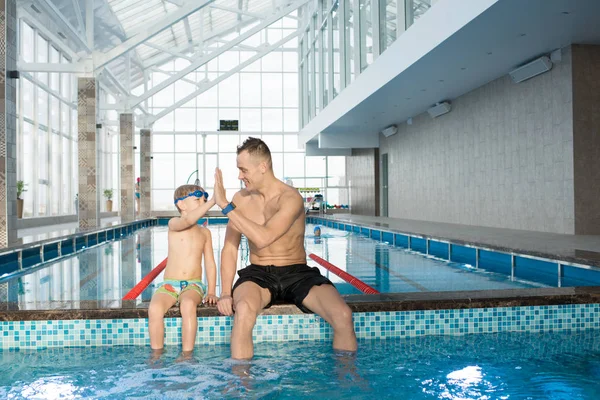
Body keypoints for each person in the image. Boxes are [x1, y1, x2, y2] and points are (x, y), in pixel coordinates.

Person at [214, 137, 357, 360]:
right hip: (258, 273)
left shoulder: (291, 198)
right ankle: (241, 388)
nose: (240, 176)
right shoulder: (240, 199)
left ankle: (347, 383)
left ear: (263, 167)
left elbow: (264, 238)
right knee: (242, 312)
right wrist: (224, 293)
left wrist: (224, 205)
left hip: (297, 273)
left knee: (343, 314)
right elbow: (230, 247)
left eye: (243, 170)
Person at [148, 184, 218, 356]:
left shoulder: (204, 233)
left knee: (187, 304)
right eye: (198, 200)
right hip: (169, 285)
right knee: (155, 308)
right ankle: (156, 355)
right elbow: (187, 221)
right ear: (182, 205)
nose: (203, 203)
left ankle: (187, 355)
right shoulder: (174, 224)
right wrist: (214, 201)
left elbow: (210, 262)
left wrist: (211, 291)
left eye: (205, 200)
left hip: (193, 285)